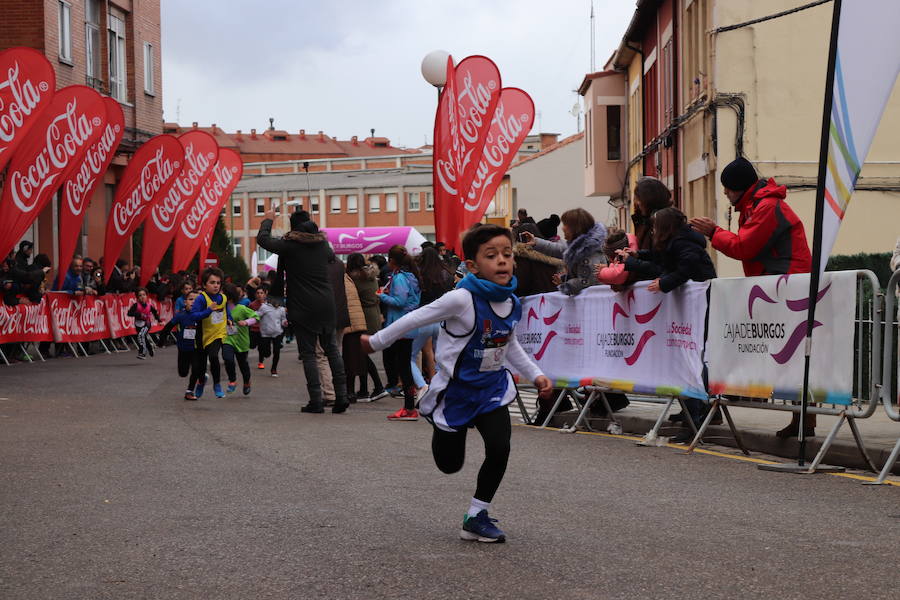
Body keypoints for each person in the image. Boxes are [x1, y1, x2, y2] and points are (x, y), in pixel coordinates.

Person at [361, 223, 552, 543]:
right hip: (456, 392)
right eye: (492, 255)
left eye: (507, 254)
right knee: (450, 465)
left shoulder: (513, 302)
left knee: (500, 447)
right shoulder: (461, 299)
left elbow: (510, 344)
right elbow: (415, 318)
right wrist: (377, 341)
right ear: (474, 266)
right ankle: (438, 421)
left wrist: (536, 374)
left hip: (492, 389)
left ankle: (476, 514)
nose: (502, 261)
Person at [690, 157, 814, 438]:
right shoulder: (758, 205)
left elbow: (744, 247)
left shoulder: (766, 207)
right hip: (781, 284)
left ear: (738, 187)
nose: (724, 194)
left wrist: (714, 232)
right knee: (790, 354)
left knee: (792, 354)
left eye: (726, 188)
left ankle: (804, 419)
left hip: (788, 287)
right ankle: (803, 419)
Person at [256, 209, 349, 414]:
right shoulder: (324, 246)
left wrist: (269, 219)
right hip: (327, 304)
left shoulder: (290, 246)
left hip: (303, 307)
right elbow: (332, 257)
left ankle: (316, 400)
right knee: (332, 349)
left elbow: (263, 239)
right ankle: (342, 395)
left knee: (309, 354)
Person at [521, 208, 607, 296]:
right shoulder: (580, 247)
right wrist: (536, 242)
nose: (563, 228)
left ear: (575, 228)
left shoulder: (588, 253)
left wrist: (564, 285)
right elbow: (557, 248)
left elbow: (586, 282)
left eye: (566, 225)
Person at [378, 245, 421, 420]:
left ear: (392, 261)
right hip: (407, 325)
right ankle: (410, 406)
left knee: (403, 368)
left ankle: (410, 408)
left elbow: (400, 301)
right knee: (404, 366)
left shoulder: (400, 278)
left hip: (401, 325)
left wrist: (381, 295)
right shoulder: (410, 276)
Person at [346, 253, 386, 401]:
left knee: (360, 353)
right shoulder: (371, 276)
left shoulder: (356, 279)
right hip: (374, 315)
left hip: (363, 317)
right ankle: (364, 389)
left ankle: (378, 386)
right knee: (361, 352)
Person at [412, 247, 454, 387]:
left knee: (410, 356)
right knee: (440, 356)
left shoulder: (420, 275)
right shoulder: (446, 274)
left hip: (424, 316)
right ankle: (440, 384)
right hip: (443, 318)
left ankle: (422, 386)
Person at [189, 267, 231, 399]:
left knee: (214, 357)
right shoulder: (201, 299)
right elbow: (194, 316)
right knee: (200, 366)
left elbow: (226, 311)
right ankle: (201, 381)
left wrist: (230, 319)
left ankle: (217, 384)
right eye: (212, 282)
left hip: (218, 334)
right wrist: (208, 310)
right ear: (204, 285)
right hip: (202, 336)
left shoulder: (223, 298)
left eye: (218, 283)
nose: (216, 285)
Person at [316, 250, 351, 406]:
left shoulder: (317, 265)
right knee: (337, 352)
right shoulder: (339, 264)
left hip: (324, 316)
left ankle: (329, 394)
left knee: (321, 354)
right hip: (341, 315)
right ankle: (341, 392)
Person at [160, 290, 205, 401]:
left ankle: (189, 391)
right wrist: (161, 340)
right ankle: (201, 376)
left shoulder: (203, 316)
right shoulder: (181, 315)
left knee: (196, 368)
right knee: (183, 373)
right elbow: (168, 327)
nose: (193, 302)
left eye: (197, 300)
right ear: (185, 302)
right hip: (183, 348)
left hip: (196, 348)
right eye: (191, 299)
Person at [222, 284, 258, 395]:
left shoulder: (241, 308)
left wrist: (246, 322)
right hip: (227, 339)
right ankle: (232, 381)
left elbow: (256, 316)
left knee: (243, 364)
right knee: (227, 359)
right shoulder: (220, 308)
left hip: (241, 340)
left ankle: (247, 382)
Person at [512, 222, 563, 296]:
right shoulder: (553, 257)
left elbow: (520, 286)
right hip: (552, 303)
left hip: (531, 305)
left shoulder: (521, 258)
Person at [256, 295, 286, 377]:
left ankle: (274, 369)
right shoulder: (264, 307)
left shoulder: (282, 309)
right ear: (271, 300)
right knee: (266, 353)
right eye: (275, 301)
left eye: (279, 302)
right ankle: (264, 354)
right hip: (266, 333)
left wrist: (284, 322)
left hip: (277, 333)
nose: (277, 303)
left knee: (277, 351)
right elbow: (256, 315)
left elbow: (283, 319)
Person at [127, 287, 159, 359]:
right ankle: (150, 348)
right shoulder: (135, 305)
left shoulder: (149, 306)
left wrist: (159, 320)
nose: (142, 297)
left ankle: (142, 353)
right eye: (140, 295)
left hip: (146, 323)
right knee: (142, 337)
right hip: (138, 324)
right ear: (137, 297)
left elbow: (155, 312)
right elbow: (129, 313)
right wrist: (138, 314)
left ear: (146, 296)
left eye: (144, 295)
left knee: (141, 336)